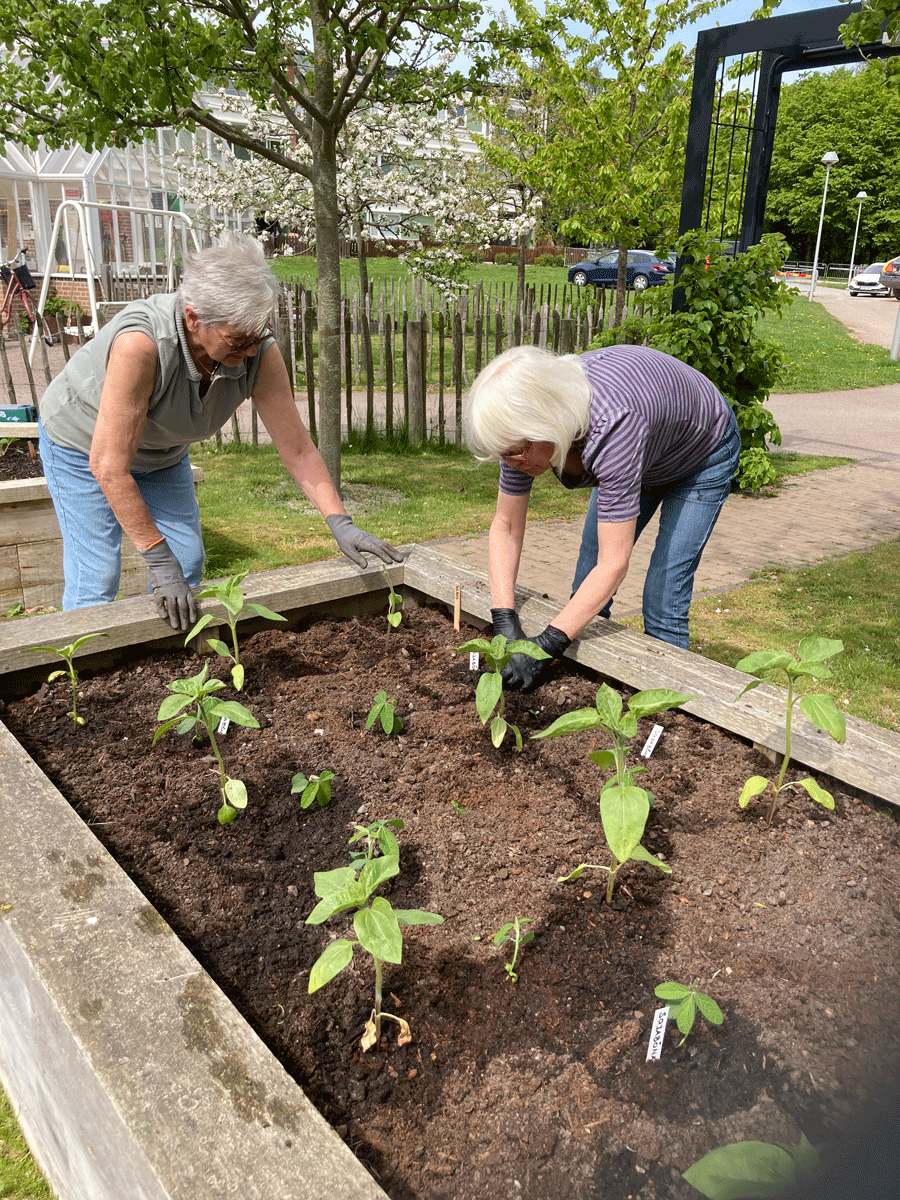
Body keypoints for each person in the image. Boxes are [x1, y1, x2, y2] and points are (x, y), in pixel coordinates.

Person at [38, 233, 403, 630]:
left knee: (186, 560)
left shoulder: (258, 353)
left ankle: (174, 656)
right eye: (238, 340)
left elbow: (298, 448)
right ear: (193, 318)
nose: (250, 350)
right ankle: (79, 662)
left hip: (162, 453)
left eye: (257, 335)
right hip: (81, 445)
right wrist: (157, 560)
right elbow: (109, 467)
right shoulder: (141, 345)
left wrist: (340, 522)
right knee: (97, 574)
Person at [463, 343, 740, 690]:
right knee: (586, 581)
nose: (510, 464)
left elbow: (613, 563)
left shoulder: (613, 426)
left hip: (701, 452)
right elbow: (505, 526)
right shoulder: (519, 439)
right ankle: (586, 685)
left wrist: (547, 645)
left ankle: (665, 702)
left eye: (514, 453)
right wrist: (504, 618)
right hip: (645, 444)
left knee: (663, 596)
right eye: (502, 454)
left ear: (547, 424)